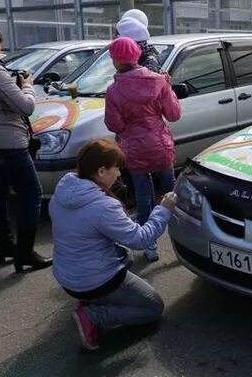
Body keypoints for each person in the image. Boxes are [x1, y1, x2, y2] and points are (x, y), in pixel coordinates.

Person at [49, 138, 177, 351]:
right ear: (101, 171)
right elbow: (141, 239)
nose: (119, 174)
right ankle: (93, 315)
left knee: (123, 254)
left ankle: (91, 300)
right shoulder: (102, 206)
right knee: (153, 307)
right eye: (116, 168)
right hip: (91, 280)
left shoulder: (62, 192)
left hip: (67, 276)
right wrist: (163, 210)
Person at [0, 20, 51, 271]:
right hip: (7, 143)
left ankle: (5, 246)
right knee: (32, 194)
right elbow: (25, 107)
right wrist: (27, 86)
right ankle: (24, 253)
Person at [104, 37, 181, 262]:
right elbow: (174, 114)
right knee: (173, 192)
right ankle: (181, 238)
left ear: (116, 62)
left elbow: (114, 124)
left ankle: (150, 245)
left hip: (134, 149)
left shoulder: (114, 90)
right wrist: (168, 85)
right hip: (161, 146)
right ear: (137, 55)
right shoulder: (159, 81)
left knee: (143, 195)